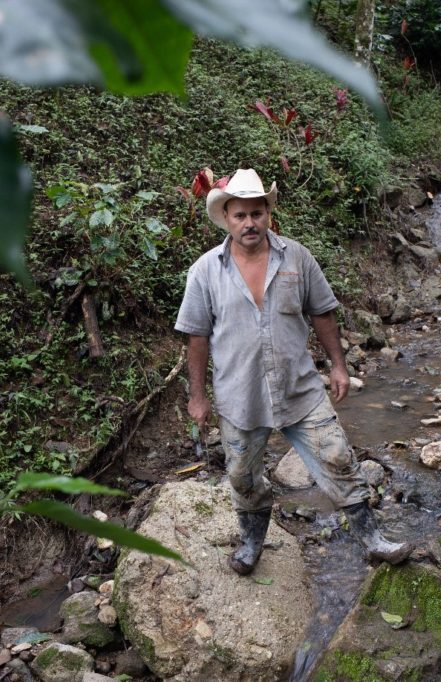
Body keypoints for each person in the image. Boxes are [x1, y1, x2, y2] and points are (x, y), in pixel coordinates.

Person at [175, 168, 412, 576]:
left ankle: (373, 539)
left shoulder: (296, 257)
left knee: (337, 457)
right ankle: (252, 542)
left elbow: (322, 311)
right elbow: (196, 336)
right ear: (226, 218)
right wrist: (197, 396)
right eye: (240, 215)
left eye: (257, 213)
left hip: (299, 389)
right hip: (240, 395)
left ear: (268, 213)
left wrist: (338, 365)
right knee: (242, 475)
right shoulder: (205, 271)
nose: (250, 223)